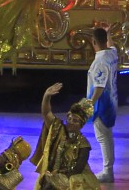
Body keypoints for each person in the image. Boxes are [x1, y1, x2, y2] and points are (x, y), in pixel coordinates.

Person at [37, 86, 99, 190]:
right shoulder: (59, 130)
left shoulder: (83, 144)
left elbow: (78, 168)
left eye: (75, 121)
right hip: (54, 173)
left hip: (72, 177)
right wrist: (46, 96)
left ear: (81, 124)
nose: (71, 122)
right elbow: (47, 113)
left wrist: (60, 178)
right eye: (69, 119)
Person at [84, 25, 119, 182]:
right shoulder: (111, 54)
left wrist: (90, 103)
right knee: (107, 137)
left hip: (102, 105)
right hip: (112, 101)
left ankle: (107, 171)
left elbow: (99, 86)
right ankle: (108, 169)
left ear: (93, 41)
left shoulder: (100, 61)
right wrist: (108, 33)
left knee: (103, 138)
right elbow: (112, 46)